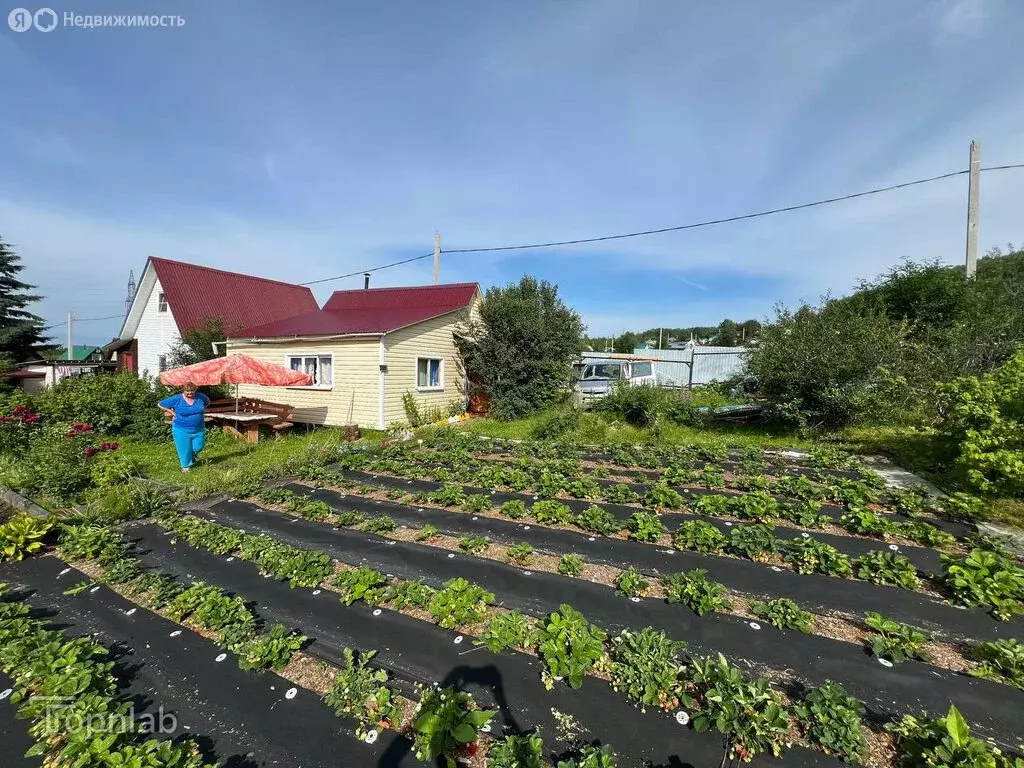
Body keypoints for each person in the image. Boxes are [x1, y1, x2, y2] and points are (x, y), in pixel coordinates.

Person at [159, 382, 210, 472]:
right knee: (184, 449)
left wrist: (199, 411)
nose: (190, 393)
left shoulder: (201, 397)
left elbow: (207, 403)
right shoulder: (177, 399)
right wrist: (172, 412)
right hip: (181, 429)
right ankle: (186, 466)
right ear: (183, 390)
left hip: (199, 428)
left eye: (192, 391)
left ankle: (191, 457)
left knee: (198, 447)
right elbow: (161, 404)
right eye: (188, 391)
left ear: (195, 390)